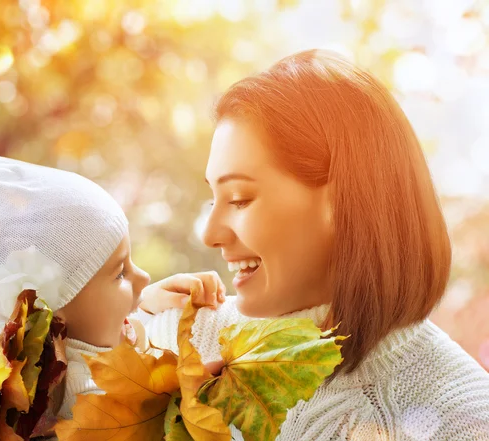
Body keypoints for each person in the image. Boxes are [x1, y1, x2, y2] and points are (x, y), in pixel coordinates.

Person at [144, 49, 489, 440]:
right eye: (213, 198)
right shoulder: (175, 341)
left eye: (239, 198)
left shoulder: (467, 419)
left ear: (345, 202)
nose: (210, 233)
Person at [0, 156, 225, 425]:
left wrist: (141, 305)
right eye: (120, 273)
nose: (144, 277)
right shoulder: (77, 395)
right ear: (51, 309)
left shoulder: (53, 347)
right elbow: (145, 418)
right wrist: (189, 394)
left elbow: (97, 329)